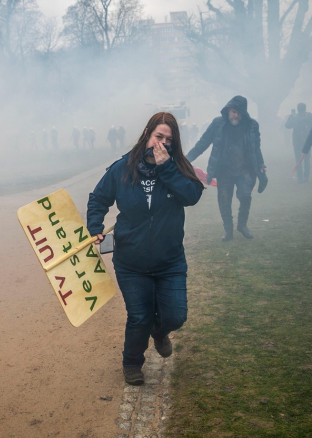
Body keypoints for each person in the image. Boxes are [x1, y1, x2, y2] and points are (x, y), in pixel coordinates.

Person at [87, 112, 204, 386]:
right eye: (158, 136)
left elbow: (192, 196)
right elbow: (98, 199)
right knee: (138, 316)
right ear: (147, 134)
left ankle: (160, 330)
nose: (162, 143)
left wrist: (167, 168)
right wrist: (95, 227)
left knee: (176, 315)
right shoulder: (122, 168)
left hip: (169, 261)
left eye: (168, 140)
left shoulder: (177, 167)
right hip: (131, 261)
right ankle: (131, 363)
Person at [185, 95, 267, 241]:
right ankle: (228, 231)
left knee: (245, 195)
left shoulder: (252, 125)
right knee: (224, 200)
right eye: (233, 111)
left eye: (238, 112)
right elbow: (202, 143)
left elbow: (256, 148)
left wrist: (261, 165)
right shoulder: (218, 123)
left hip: (245, 169)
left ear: (243, 113)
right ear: (228, 110)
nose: (235, 115)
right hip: (223, 170)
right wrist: (185, 160)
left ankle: (242, 225)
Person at [285, 103, 312, 183]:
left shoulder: (295, 117)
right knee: (307, 159)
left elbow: (287, 125)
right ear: (305, 108)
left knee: (298, 159)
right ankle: (306, 177)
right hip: (307, 140)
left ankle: (300, 178)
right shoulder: (310, 116)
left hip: (297, 140)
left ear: (298, 109)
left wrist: (291, 117)